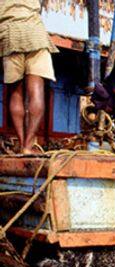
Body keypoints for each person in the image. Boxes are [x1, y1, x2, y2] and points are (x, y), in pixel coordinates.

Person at [0, 0, 58, 154]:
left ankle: (21, 143)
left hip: (9, 34)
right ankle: (28, 146)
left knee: (15, 92)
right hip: (34, 32)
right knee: (36, 90)